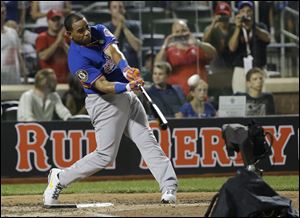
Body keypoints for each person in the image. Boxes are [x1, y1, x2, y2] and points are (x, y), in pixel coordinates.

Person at [43, 12, 178, 206]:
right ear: (69, 35)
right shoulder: (76, 59)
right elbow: (102, 85)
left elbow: (114, 52)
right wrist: (127, 86)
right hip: (104, 102)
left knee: (147, 140)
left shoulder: (97, 30)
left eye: (87, 27)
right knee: (105, 155)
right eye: (80, 31)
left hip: (126, 96)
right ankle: (60, 178)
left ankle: (168, 186)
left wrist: (126, 70)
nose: (87, 32)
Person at [155, 19, 216, 96]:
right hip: (177, 94)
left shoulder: (198, 47)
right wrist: (165, 45)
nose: (181, 34)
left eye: (183, 30)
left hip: (198, 93)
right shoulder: (169, 50)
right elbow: (158, 64)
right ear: (172, 34)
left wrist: (198, 43)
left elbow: (213, 53)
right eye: (177, 32)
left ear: (189, 31)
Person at [229, 1, 271, 93]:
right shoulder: (233, 28)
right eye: (243, 11)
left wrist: (253, 27)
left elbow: (267, 38)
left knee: (262, 97)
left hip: (259, 68)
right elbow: (232, 47)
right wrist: (238, 28)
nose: (246, 13)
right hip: (241, 68)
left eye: (249, 11)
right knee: (240, 97)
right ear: (239, 13)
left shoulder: (260, 26)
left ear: (253, 12)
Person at [104, 1, 142, 68]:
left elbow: (137, 47)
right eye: (115, 7)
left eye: (120, 7)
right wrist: (119, 26)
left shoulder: (135, 25)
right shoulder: (105, 28)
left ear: (124, 9)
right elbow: (109, 48)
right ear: (110, 10)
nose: (118, 9)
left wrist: (124, 27)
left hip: (132, 70)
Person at [36, 9, 69, 83]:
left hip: (66, 81)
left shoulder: (67, 38)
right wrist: (57, 42)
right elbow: (43, 56)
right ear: (48, 21)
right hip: (48, 82)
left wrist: (63, 43)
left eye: (58, 19)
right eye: (53, 20)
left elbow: (74, 57)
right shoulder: (42, 37)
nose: (56, 22)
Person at [203, 1, 235, 75]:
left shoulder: (233, 28)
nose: (222, 18)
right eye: (220, 15)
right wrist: (213, 23)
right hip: (216, 62)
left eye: (224, 15)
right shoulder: (211, 29)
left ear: (229, 15)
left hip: (231, 62)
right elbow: (204, 41)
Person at [1, 2, 28, 84]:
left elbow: (18, 53)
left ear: (5, 13)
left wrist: (24, 71)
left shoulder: (12, 32)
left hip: (14, 76)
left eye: (2, 13)